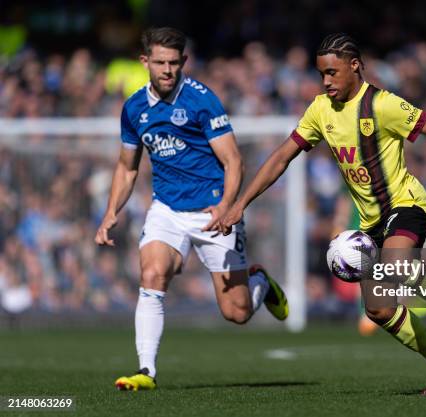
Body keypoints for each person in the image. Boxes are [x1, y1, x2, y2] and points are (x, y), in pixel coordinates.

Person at [219, 33, 426, 394]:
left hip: (407, 204)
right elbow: (280, 157)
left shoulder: (382, 105)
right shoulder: (320, 110)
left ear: (355, 67)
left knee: (397, 263)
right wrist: (241, 203)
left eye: (332, 73)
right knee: (379, 310)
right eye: (322, 73)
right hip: (370, 224)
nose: (326, 81)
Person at [94, 27, 288, 391]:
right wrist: (110, 212)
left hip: (213, 211)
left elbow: (233, 162)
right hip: (166, 209)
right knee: (152, 273)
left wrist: (227, 207)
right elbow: (127, 166)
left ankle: (259, 281)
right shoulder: (134, 108)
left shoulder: (202, 101)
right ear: (145, 62)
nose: (167, 70)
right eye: (160, 63)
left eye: (173, 63)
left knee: (237, 312)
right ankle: (145, 372)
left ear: (183, 62)